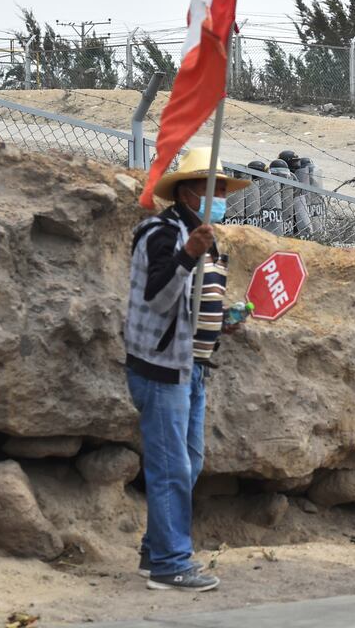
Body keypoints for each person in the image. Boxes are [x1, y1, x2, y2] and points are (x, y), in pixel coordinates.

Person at [124, 146, 251, 593]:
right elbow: (157, 298)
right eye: (214, 189)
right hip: (162, 370)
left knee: (188, 462)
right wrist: (187, 255)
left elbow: (194, 307)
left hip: (195, 368)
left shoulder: (206, 238)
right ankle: (171, 564)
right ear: (191, 190)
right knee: (170, 466)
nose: (221, 198)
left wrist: (225, 323)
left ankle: (154, 549)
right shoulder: (159, 234)